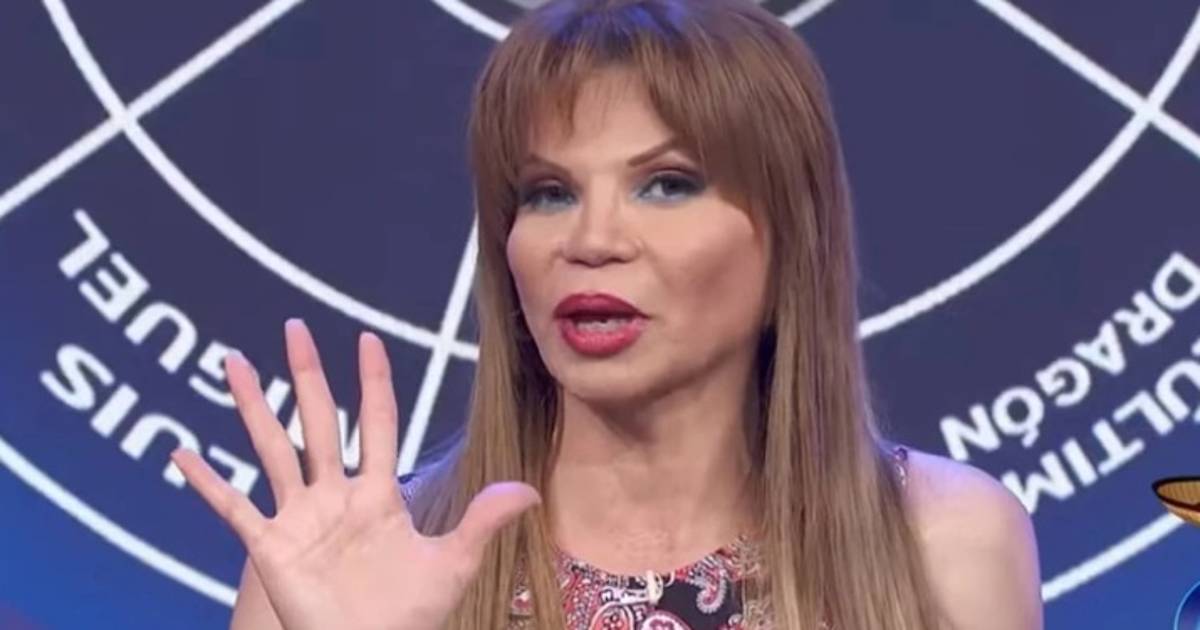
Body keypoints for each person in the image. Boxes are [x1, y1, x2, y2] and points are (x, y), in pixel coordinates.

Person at [169, 0, 1044, 628]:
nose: (589, 241)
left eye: (666, 184)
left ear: (789, 237)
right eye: (548, 193)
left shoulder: (940, 543)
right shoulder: (358, 568)